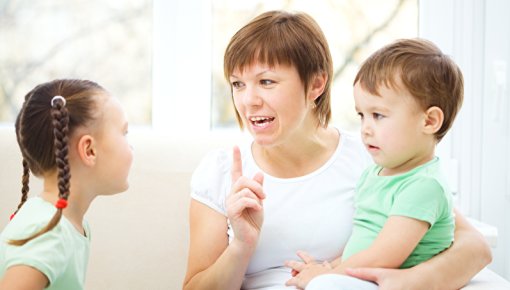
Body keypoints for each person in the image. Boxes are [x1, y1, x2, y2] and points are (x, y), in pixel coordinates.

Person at [183, 10, 491, 290]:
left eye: (266, 81)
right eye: (238, 84)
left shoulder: (374, 157)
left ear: (316, 84)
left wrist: (408, 282)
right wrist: (241, 244)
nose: (248, 100)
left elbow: (474, 247)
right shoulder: (223, 171)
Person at [285, 38, 464, 290]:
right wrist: (329, 268)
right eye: (362, 115)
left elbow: (385, 255)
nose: (366, 129)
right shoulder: (374, 173)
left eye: (378, 115)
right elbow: (362, 243)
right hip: (366, 276)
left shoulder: (424, 185)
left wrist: (324, 277)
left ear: (430, 121)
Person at [0, 79, 133, 290]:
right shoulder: (49, 235)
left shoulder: (66, 223)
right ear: (89, 150)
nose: (130, 145)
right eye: (124, 133)